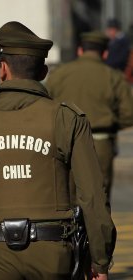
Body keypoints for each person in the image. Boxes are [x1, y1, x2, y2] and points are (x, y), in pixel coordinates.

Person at [0, 21, 116, 279]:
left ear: (2, 68)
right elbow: (93, 198)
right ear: (43, 71)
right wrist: (100, 261)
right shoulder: (67, 119)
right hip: (55, 253)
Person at [46, 31, 133, 202]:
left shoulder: (58, 75)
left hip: (64, 142)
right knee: (98, 199)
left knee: (66, 198)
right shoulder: (113, 77)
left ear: (80, 51)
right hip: (100, 143)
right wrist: (111, 124)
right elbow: (128, 114)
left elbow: (45, 105)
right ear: (105, 53)